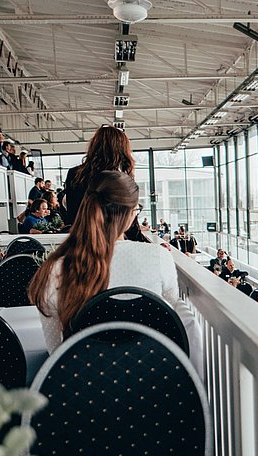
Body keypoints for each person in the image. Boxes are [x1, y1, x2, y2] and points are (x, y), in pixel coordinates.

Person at [28, 171, 203, 377]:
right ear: (129, 214)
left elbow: (57, 351)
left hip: (85, 394)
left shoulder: (56, 268)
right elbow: (174, 322)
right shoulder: (157, 257)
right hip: (155, 387)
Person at [63, 124, 134, 226]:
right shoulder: (119, 179)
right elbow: (125, 222)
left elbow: (72, 215)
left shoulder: (74, 174)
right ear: (121, 150)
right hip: (112, 239)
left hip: (82, 237)